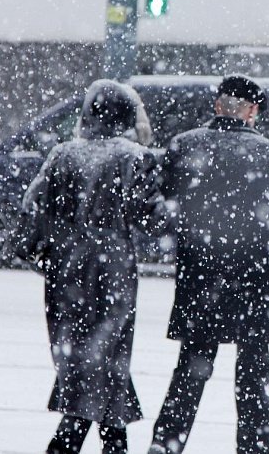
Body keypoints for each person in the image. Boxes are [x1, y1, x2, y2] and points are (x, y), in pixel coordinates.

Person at [149, 74, 269, 454]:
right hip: (254, 280)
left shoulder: (184, 145)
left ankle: (165, 445)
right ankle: (254, 449)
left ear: (218, 105)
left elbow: (162, 210)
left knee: (189, 372)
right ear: (252, 111)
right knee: (253, 379)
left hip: (200, 277)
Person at [17, 80, 164, 454]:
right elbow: (152, 220)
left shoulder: (61, 155)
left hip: (65, 270)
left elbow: (29, 220)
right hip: (112, 271)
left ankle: (99, 440)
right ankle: (81, 441)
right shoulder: (135, 158)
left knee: (79, 355)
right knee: (107, 354)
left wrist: (47, 255)